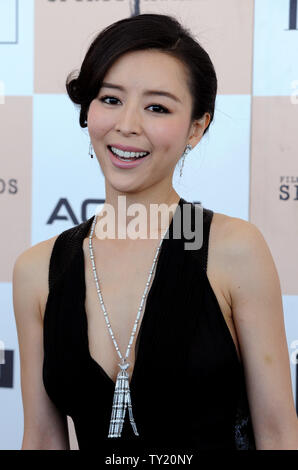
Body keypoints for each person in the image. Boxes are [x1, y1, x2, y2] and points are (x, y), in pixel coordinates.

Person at [13, 13, 298, 452]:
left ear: (196, 128)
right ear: (87, 111)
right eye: (110, 99)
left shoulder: (230, 248)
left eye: (157, 107)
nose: (127, 124)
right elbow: (42, 439)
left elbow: (278, 435)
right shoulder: (39, 269)